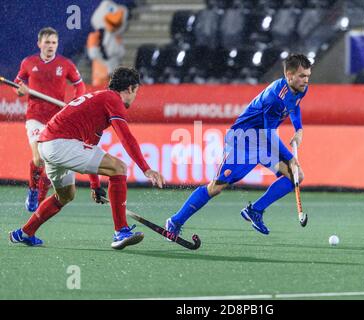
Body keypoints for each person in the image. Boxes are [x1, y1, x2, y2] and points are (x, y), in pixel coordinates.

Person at [9, 67, 165, 250]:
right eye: (136, 91)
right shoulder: (113, 100)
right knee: (119, 168)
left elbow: (90, 145)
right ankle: (121, 231)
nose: (135, 96)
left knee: (65, 195)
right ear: (130, 88)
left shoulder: (100, 100)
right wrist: (146, 168)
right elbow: (126, 137)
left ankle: (25, 232)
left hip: (47, 145)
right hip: (60, 143)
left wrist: (95, 185)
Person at [166, 53, 311, 236]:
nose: (306, 80)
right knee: (216, 187)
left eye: (307, 76)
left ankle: (255, 210)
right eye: (302, 76)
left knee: (296, 176)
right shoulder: (274, 97)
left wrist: (299, 129)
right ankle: (175, 221)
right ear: (289, 76)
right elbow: (268, 134)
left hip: (262, 141)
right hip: (243, 140)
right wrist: (290, 158)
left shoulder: (301, 88)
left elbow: (294, 106)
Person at [14, 27, 86, 212]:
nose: (50, 46)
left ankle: (39, 196)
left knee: (50, 161)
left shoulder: (66, 64)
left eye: (54, 43)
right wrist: (19, 90)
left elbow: (80, 86)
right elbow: (18, 85)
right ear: (39, 44)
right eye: (47, 42)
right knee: (38, 159)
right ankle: (32, 189)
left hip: (56, 120)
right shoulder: (28, 62)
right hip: (35, 117)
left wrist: (75, 102)